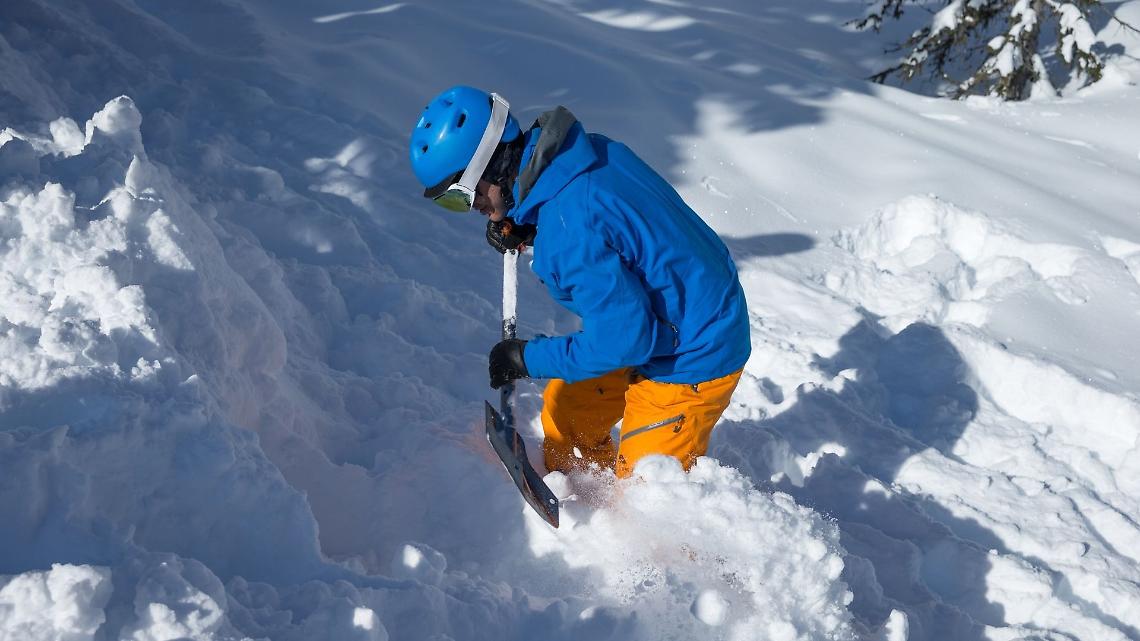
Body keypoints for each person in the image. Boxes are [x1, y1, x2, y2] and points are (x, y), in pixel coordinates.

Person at [409, 85, 751, 478]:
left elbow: (623, 340)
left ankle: (630, 511)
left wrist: (527, 358)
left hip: (695, 349)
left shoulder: (570, 230)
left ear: (490, 167)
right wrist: (527, 223)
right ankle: (585, 501)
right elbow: (610, 229)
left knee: (649, 493)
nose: (474, 209)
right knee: (567, 421)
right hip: (669, 310)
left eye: (461, 196)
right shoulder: (578, 157)